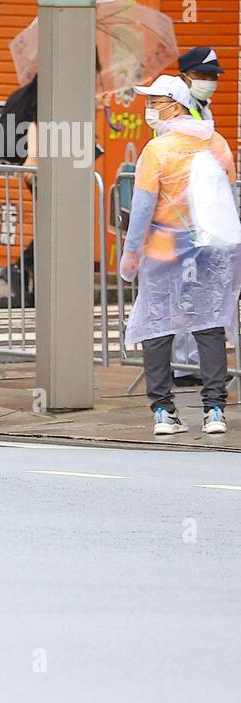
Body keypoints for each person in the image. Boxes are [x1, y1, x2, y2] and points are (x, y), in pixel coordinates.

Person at [119, 75, 241, 436]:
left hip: (163, 251)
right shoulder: (217, 143)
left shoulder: (157, 150)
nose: (150, 108)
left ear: (175, 103)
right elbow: (231, 199)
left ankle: (162, 412)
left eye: (156, 101)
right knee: (209, 323)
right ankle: (215, 409)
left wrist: (130, 254)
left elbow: (141, 209)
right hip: (210, 251)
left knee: (157, 326)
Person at [170, 45, 227, 384]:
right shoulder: (178, 111)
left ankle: (194, 362)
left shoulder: (202, 110)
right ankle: (182, 364)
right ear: (184, 76)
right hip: (182, 211)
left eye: (212, 77)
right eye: (202, 75)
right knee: (183, 289)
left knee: (200, 288)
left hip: (202, 211)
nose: (208, 82)